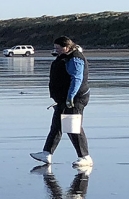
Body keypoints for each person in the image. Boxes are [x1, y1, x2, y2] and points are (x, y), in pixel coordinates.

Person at [30, 36, 92, 174]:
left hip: (76, 98)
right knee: (57, 125)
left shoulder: (75, 58)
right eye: (55, 48)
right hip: (63, 98)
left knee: (73, 128)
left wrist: (70, 97)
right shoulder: (65, 56)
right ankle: (47, 153)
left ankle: (85, 157)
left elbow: (77, 78)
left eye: (58, 48)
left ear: (67, 47)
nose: (56, 50)